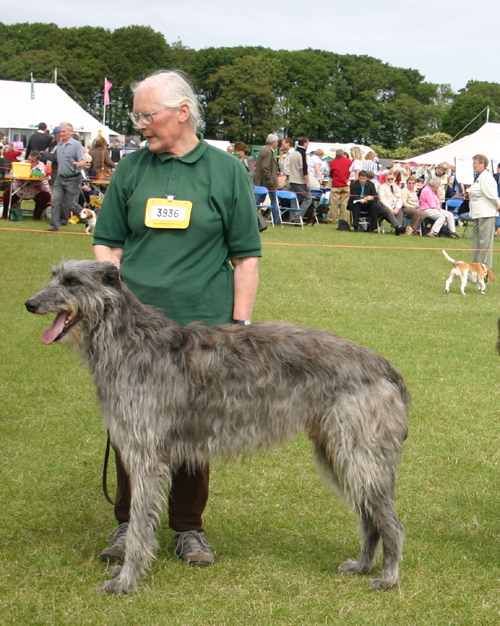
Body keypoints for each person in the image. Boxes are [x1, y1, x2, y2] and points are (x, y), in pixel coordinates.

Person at [93, 69, 261, 567]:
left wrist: (240, 326)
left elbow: (246, 256)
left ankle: (188, 528)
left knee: (194, 428)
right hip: (132, 331)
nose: (139, 124)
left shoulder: (226, 170)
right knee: (130, 426)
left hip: (203, 328)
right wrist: (113, 300)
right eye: (136, 115)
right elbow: (108, 242)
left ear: (181, 112)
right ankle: (129, 522)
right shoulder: (131, 169)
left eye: (148, 115)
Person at [47, 122, 86, 231]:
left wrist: (78, 164)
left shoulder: (76, 145)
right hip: (60, 179)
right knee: (54, 202)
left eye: (64, 132)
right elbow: (59, 162)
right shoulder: (58, 145)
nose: (62, 134)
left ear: (70, 132)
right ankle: (54, 226)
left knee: (72, 204)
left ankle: (88, 219)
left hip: (73, 178)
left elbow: (83, 161)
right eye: (61, 132)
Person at [468, 154, 500, 267]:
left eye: (475, 164)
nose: (473, 166)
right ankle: (474, 265)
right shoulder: (480, 177)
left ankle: (485, 267)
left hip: (486, 214)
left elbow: (492, 195)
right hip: (477, 214)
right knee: (476, 241)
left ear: (482, 164)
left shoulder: (486, 178)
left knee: (485, 242)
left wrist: (499, 205)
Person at [2, 150, 51, 220]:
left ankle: (37, 217)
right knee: (7, 193)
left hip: (35, 189)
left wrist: (32, 173)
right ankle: (5, 215)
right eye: (29, 159)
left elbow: (42, 174)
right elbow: (11, 172)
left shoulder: (41, 165)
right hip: (20, 189)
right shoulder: (22, 163)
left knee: (45, 196)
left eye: (32, 161)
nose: (29, 162)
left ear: (37, 161)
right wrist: (14, 171)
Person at [253, 133, 280, 225]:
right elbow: (265, 167)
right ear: (273, 142)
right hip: (267, 182)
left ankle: (252, 215)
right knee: (273, 200)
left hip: (262, 181)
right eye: (276, 142)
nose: (277, 144)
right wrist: (270, 179)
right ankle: (276, 220)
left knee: (259, 199)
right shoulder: (268, 151)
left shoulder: (264, 149)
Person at [288, 136, 313, 221]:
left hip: (292, 179)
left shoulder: (293, 153)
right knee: (308, 199)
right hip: (300, 181)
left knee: (295, 199)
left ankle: (292, 217)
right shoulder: (302, 153)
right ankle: (298, 217)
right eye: (308, 143)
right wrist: (307, 181)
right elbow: (303, 169)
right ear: (305, 143)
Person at [328, 148, 351, 225]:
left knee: (334, 203)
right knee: (344, 203)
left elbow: (331, 174)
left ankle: (332, 219)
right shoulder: (348, 161)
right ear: (342, 154)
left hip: (336, 185)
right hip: (345, 184)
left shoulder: (332, 162)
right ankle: (342, 219)